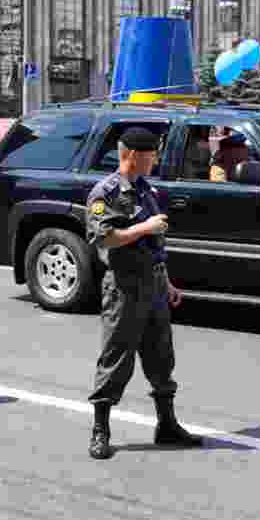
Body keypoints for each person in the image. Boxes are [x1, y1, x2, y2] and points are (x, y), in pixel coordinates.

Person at [85, 127, 203, 459]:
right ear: (133, 155)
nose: (156, 160)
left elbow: (154, 245)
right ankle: (100, 430)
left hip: (152, 284)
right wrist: (142, 228)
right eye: (151, 155)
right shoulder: (105, 193)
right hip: (124, 285)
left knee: (161, 357)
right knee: (116, 358)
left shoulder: (145, 188)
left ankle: (167, 425)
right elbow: (103, 238)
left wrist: (165, 282)